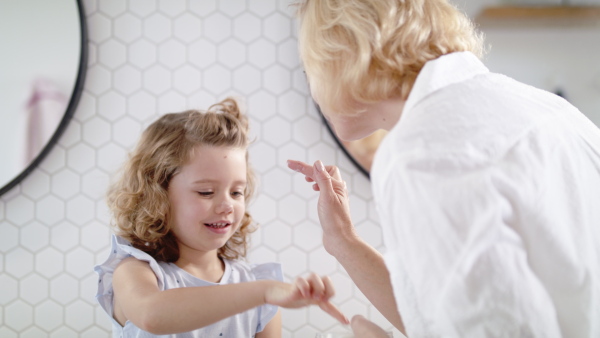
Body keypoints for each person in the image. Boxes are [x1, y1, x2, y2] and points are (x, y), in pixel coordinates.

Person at [288, 0, 600, 337]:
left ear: (343, 58)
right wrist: (342, 239)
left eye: (311, 67)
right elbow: (442, 314)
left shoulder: (422, 152)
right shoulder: (552, 111)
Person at [95, 97, 349, 338]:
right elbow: (152, 315)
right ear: (157, 195)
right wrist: (265, 292)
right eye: (206, 192)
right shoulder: (135, 271)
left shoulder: (257, 286)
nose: (227, 205)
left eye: (237, 192)